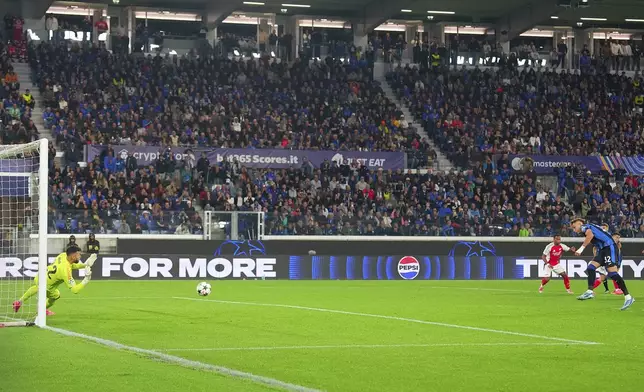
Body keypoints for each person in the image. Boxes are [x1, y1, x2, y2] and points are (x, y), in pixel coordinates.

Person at [13, 245, 95, 316]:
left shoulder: (63, 255)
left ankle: (19, 301)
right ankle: (42, 310)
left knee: (37, 286)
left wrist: (85, 264)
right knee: (55, 295)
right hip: (48, 286)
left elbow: (72, 265)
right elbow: (75, 290)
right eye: (78, 254)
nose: (79, 256)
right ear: (73, 256)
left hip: (41, 276)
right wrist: (86, 279)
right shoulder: (65, 271)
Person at [572, 218, 634, 310]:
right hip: (602, 250)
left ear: (579, 223)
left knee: (612, 273)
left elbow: (590, 235)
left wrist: (581, 249)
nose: (574, 229)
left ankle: (628, 297)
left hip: (609, 247)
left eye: (574, 227)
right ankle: (589, 291)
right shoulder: (591, 227)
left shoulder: (585, 227)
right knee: (591, 268)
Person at [591, 226, 623, 295]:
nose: (618, 239)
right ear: (612, 237)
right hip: (604, 261)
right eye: (616, 237)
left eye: (619, 238)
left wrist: (618, 263)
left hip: (610, 261)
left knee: (605, 277)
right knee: (609, 276)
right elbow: (595, 247)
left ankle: (590, 290)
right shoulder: (606, 242)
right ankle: (617, 289)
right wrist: (596, 257)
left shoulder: (617, 245)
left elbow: (619, 255)